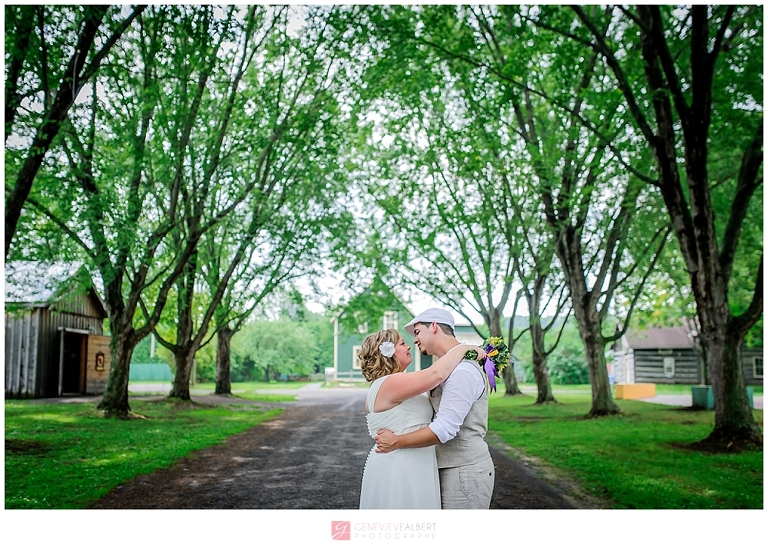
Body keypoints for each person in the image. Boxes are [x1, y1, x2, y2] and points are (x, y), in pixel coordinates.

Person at [374, 308, 495, 509]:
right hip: (444, 468)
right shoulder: (445, 367)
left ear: (434, 326)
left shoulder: (463, 371)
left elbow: (444, 428)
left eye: (417, 332)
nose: (414, 340)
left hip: (463, 470)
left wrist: (397, 441)